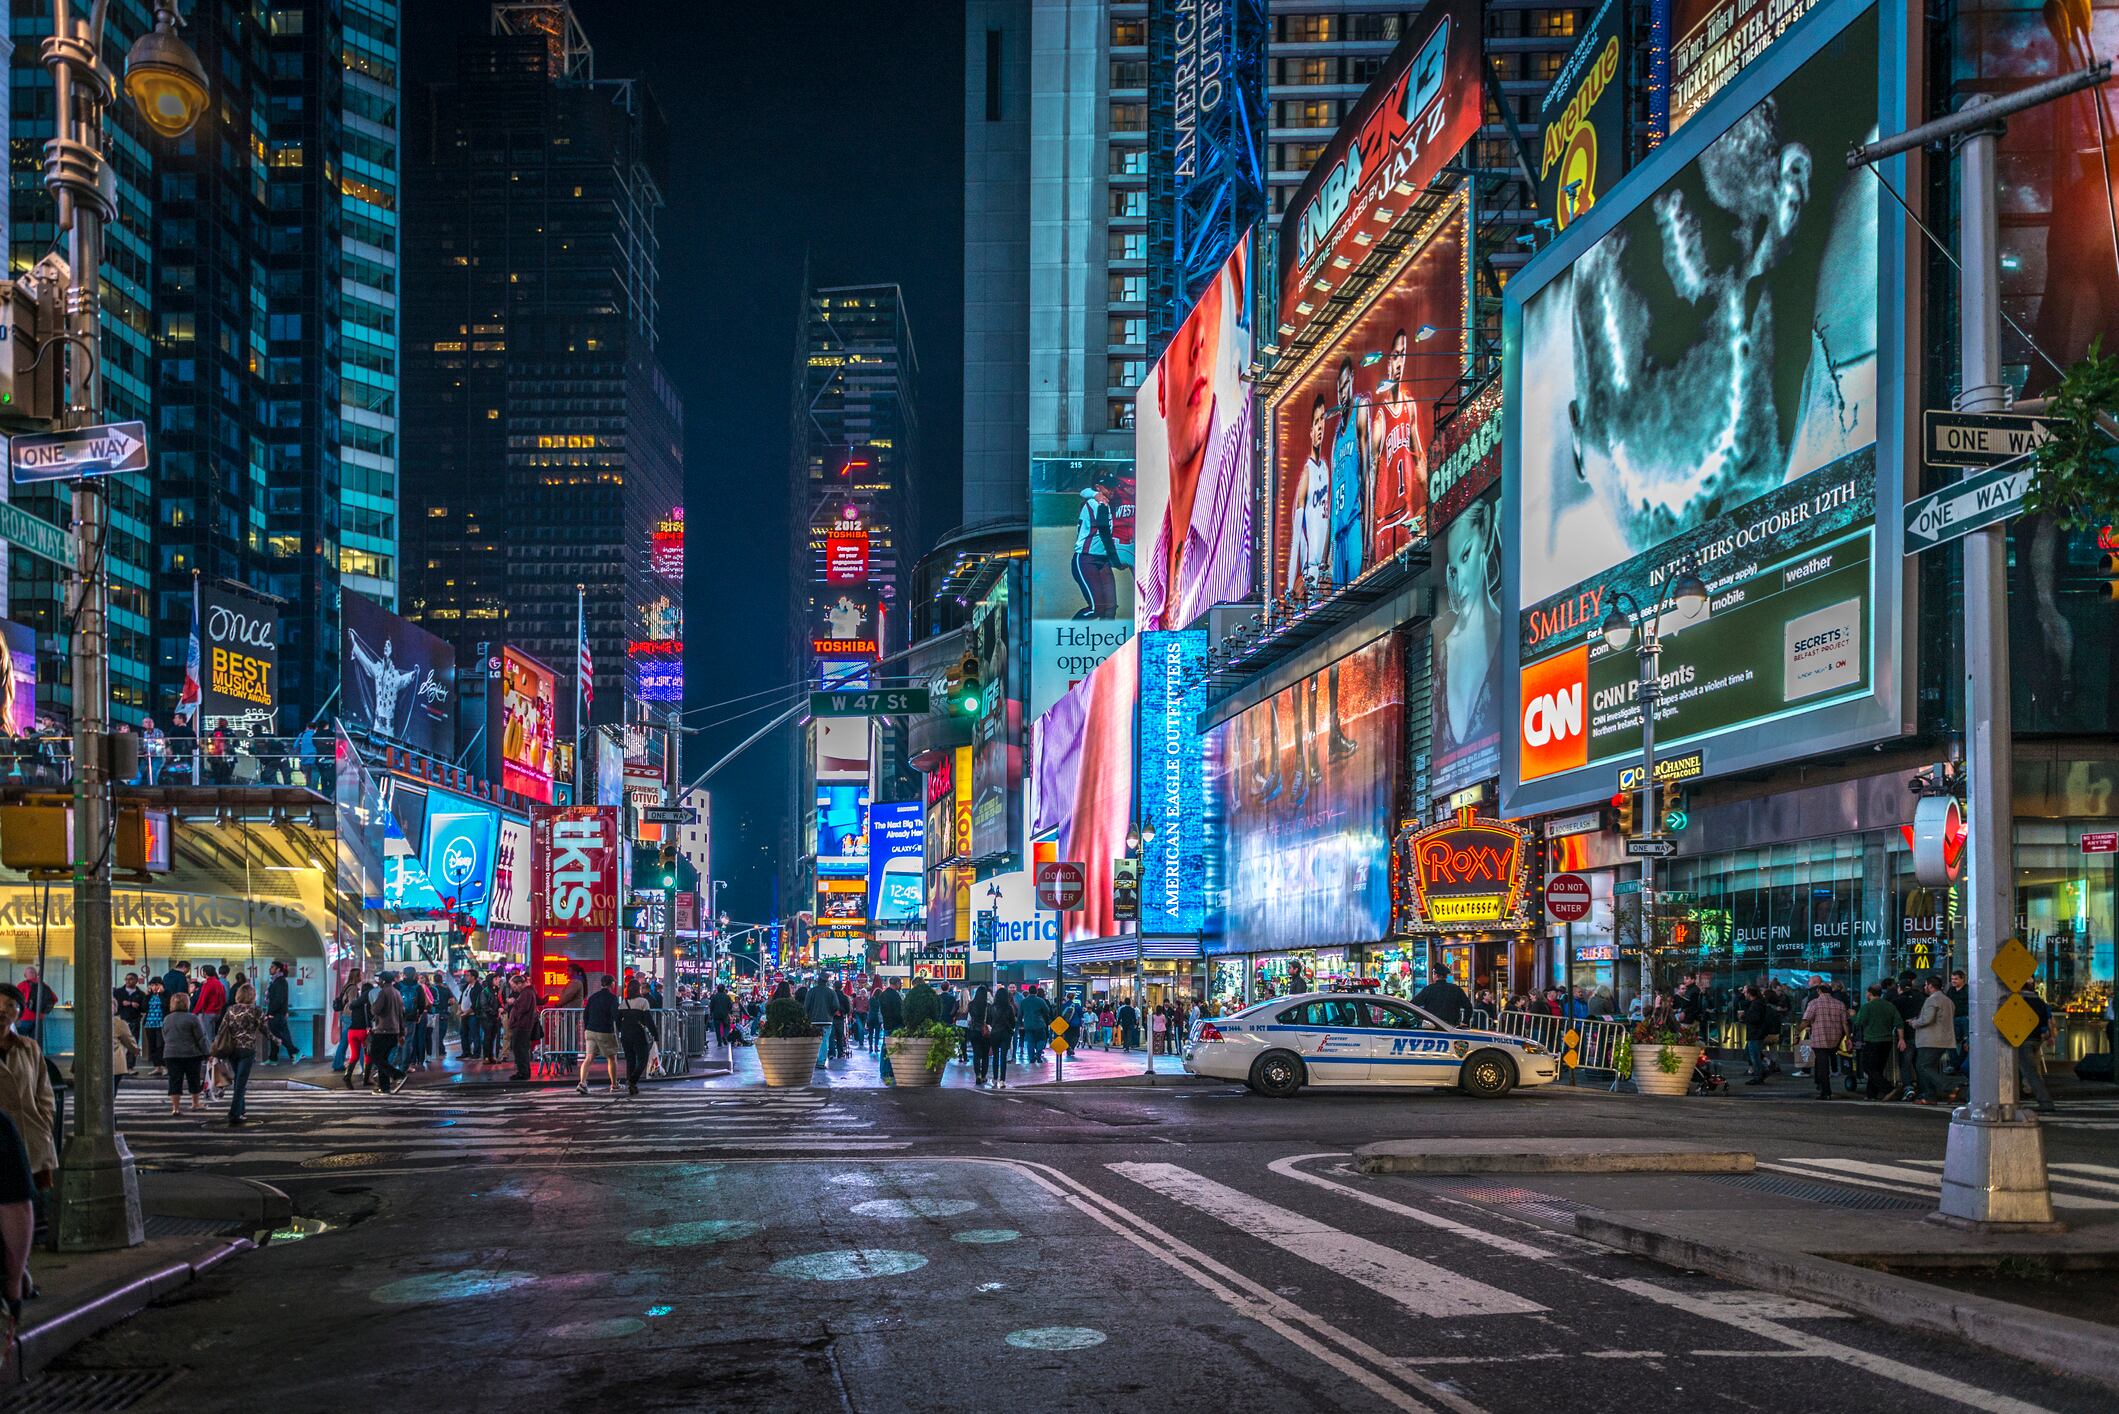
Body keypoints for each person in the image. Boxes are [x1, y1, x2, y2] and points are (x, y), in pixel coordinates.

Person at [217, 984, 269, 1126]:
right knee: (241, 1081)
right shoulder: (256, 1010)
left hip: (232, 1049)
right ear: (252, 996)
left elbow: (222, 1029)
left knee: (239, 1080)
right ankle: (234, 1113)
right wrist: (276, 1040)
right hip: (247, 1049)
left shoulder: (231, 1010)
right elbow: (264, 1029)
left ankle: (241, 1109)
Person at [1910, 974, 1958, 1106]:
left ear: (1930, 986)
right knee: (1928, 1067)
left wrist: (1914, 1022)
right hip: (1944, 1039)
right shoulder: (1948, 1001)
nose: (1925, 987)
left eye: (1926, 985)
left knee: (1923, 1066)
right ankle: (1930, 1096)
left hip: (1930, 1039)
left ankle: (1948, 1086)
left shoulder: (1932, 1000)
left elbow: (1927, 1019)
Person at [1799, 980, 1849, 1101]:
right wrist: (1848, 1037)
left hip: (1819, 1038)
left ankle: (1825, 1091)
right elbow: (1845, 1023)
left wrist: (1797, 1031)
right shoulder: (1840, 1004)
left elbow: (1806, 1021)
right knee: (1825, 1061)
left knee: (1822, 1065)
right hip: (1835, 1039)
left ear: (1819, 991)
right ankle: (1821, 1083)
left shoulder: (1814, 1003)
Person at [160, 992, 209, 1114]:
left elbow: (164, 1035)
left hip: (171, 1053)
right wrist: (207, 1053)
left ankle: (175, 1108)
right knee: (194, 1079)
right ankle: (195, 1103)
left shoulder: (167, 1019)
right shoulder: (193, 1018)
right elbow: (201, 1038)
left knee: (175, 1080)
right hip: (191, 1053)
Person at [1852, 984, 1902, 1100]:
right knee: (1877, 1069)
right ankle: (1871, 1094)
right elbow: (1899, 1023)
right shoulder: (1890, 1006)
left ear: (1870, 993)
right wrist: (1902, 1039)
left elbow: (1859, 1022)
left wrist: (1853, 1016)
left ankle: (1889, 1089)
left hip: (1872, 1040)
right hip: (1887, 1041)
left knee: (1868, 1067)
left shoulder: (1867, 1007)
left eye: (1866, 993)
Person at [578, 974, 622, 1095]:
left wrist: (587, 1027)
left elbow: (585, 1014)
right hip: (605, 1031)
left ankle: (582, 1082)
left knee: (589, 1058)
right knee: (612, 1058)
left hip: (590, 1031)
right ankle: (614, 1084)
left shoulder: (593, 997)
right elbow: (615, 1015)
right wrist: (620, 1029)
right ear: (612, 984)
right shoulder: (612, 999)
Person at [366, 971, 406, 1094]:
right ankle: (385, 1087)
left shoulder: (383, 992)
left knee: (375, 1055)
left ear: (383, 981)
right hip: (394, 1030)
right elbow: (401, 1014)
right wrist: (401, 1032)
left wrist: (372, 1006)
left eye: (379, 980)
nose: (378, 982)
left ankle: (397, 1074)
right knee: (383, 1059)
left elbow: (376, 1010)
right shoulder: (397, 993)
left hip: (383, 1029)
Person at [2017, 989, 2057, 1114]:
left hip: (2024, 1038)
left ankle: (2045, 1101)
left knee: (2030, 1071)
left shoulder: (2019, 1001)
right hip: (2036, 1038)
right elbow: (2048, 1019)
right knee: (2032, 1068)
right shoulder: (2040, 1002)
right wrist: (2049, 1035)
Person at [617, 983, 657, 1097]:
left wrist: (621, 1030)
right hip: (638, 1033)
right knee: (643, 1058)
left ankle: (631, 1085)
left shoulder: (624, 1003)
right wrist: (655, 1034)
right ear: (638, 990)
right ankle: (633, 1080)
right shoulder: (643, 1002)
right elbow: (648, 1020)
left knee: (630, 1060)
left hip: (625, 1034)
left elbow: (617, 1019)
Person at [335, 970, 371, 1088]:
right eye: (360, 974)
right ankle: (364, 1068)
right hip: (350, 1016)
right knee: (360, 1045)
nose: (362, 976)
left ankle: (338, 1063)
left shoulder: (347, 986)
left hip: (344, 1015)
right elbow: (352, 1003)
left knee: (345, 1041)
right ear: (356, 976)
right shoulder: (354, 988)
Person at [505, 975, 542, 1081]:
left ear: (520, 983)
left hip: (522, 1026)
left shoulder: (526, 993)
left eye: (514, 986)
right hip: (523, 1025)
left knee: (520, 1049)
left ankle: (523, 1073)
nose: (514, 989)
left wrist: (514, 1002)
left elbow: (523, 1008)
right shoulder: (528, 992)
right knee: (521, 1049)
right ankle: (523, 1072)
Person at [263, 961, 298, 1065]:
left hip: (276, 1014)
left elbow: (279, 999)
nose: (270, 969)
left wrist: (269, 1013)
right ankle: (273, 1058)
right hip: (277, 1013)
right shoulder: (276, 981)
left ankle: (295, 1051)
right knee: (276, 1035)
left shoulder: (280, 982)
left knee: (279, 1036)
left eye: (272, 967)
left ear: (278, 969)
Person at [804, 973, 840, 1069]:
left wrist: (808, 1016)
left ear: (818, 980)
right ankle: (821, 1062)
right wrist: (830, 1014)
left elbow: (806, 1006)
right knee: (824, 1041)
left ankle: (814, 1060)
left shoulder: (811, 991)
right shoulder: (831, 992)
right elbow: (836, 1006)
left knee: (814, 1041)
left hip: (813, 1020)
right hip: (827, 1020)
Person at [987, 985, 1018, 1089]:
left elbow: (988, 1021)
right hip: (1005, 1033)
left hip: (995, 1033)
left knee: (995, 1057)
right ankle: (1002, 1080)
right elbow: (1013, 1022)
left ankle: (995, 1078)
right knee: (1003, 1057)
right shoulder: (1009, 1007)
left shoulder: (991, 1007)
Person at [14, 968, 55, 1039]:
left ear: (25, 975)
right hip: (38, 1018)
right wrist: (43, 1011)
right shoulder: (43, 985)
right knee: (36, 1043)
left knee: (20, 1042)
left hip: (24, 1018)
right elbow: (54, 999)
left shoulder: (22, 985)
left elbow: (14, 1000)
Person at [143, 977, 168, 1076]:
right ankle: (157, 1066)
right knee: (152, 1046)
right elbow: (144, 1007)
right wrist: (146, 996)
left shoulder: (166, 994)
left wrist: (161, 994)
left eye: (156, 985)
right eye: (152, 985)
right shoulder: (149, 995)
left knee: (161, 1045)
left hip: (161, 1023)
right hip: (150, 1023)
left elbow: (166, 1006)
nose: (154, 987)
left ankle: (164, 1066)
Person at [873, 979, 903, 1051]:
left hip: (887, 1024)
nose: (901, 985)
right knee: (893, 1048)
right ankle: (889, 1062)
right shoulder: (895, 995)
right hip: (895, 1025)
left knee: (886, 1046)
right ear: (897, 983)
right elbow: (898, 1011)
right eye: (900, 983)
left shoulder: (883, 994)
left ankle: (884, 1062)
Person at [140, 716, 167, 784]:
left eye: (150, 722)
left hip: (158, 757)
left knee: (152, 775)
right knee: (138, 773)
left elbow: (160, 745)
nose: (149, 723)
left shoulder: (158, 732)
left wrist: (150, 753)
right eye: (146, 722)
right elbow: (144, 746)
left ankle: (154, 791)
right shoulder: (144, 733)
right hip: (147, 757)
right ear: (143, 725)